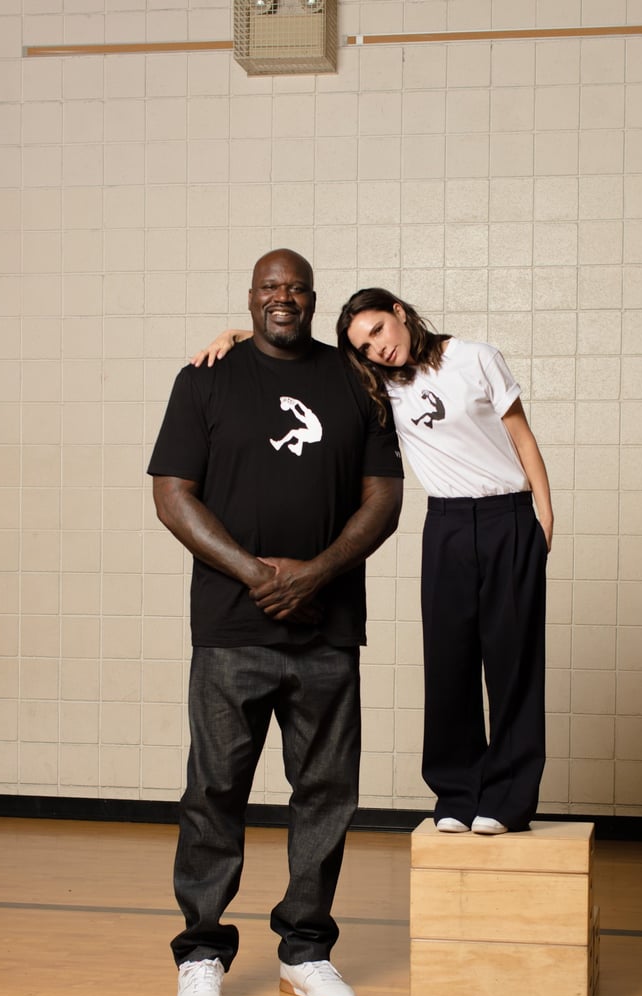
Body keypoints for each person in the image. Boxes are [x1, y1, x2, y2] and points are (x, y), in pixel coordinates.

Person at [149, 251, 404, 996]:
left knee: (325, 795)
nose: (282, 297)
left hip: (328, 632)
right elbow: (170, 494)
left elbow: (384, 498)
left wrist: (313, 576)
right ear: (251, 298)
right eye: (270, 287)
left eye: (295, 287)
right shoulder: (206, 379)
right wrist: (258, 575)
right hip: (230, 632)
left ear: (312, 298)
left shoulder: (354, 380)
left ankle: (304, 950)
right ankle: (200, 954)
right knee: (214, 792)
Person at [196, 288, 552, 838]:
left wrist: (543, 520)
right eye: (365, 345)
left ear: (401, 315)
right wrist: (235, 335)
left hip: (508, 516)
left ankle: (509, 800)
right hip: (448, 526)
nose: (378, 348)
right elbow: (302, 351)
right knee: (449, 662)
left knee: (513, 664)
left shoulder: (476, 356)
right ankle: (457, 794)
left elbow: (523, 440)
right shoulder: (378, 382)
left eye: (380, 331)